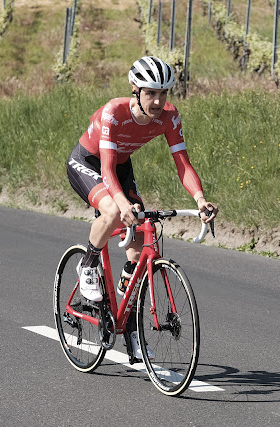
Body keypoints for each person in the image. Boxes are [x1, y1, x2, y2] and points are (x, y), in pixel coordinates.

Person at [66, 56, 218, 358]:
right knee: (111, 211)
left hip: (121, 167)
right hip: (89, 162)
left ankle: (131, 326)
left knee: (142, 243)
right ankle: (87, 265)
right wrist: (122, 204)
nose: (158, 100)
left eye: (163, 93)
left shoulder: (169, 116)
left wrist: (200, 200)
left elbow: (183, 165)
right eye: (150, 93)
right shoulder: (114, 112)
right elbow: (106, 169)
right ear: (135, 89)